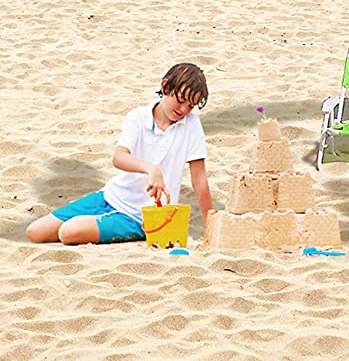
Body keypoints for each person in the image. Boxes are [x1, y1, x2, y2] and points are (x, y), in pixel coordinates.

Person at [26, 62, 213, 245]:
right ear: (165, 87)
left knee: (69, 232)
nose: (183, 110)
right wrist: (150, 169)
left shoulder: (191, 125)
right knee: (35, 232)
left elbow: (199, 180)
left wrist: (211, 227)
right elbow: (119, 158)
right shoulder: (138, 117)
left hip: (143, 216)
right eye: (180, 100)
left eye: (190, 106)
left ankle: (134, 232)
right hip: (111, 196)